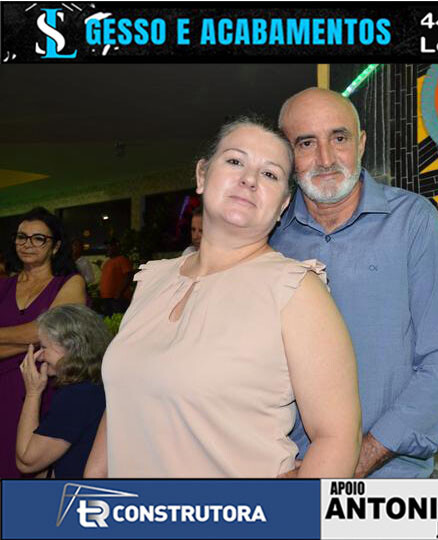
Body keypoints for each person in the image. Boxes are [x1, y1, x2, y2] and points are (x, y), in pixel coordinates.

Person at [85, 115, 361, 478]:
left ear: (282, 205)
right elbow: (122, 402)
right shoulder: (152, 279)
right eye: (235, 161)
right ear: (202, 175)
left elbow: (337, 439)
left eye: (270, 174)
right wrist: (89, 492)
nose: (249, 179)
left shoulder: (295, 289)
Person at [270, 88, 438, 478]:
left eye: (339, 138)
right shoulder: (271, 238)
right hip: (285, 472)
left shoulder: (412, 221)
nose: (326, 159)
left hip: (387, 476)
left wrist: (353, 462)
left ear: (361, 144)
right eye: (306, 143)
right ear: (286, 155)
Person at [0, 207, 86, 478]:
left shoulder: (70, 283)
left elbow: (49, 330)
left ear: (55, 246)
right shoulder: (3, 286)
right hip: (3, 390)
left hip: (41, 391)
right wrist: (35, 340)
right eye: (22, 237)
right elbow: (40, 335)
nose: (28, 244)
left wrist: (40, 335)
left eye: (38, 238)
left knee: (28, 469)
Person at [16, 304, 109, 478]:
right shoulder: (96, 387)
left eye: (44, 347)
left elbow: (26, 461)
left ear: (70, 348)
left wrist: (33, 393)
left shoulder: (78, 396)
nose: (40, 356)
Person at [98, 239, 133, 316]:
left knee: (119, 320)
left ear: (117, 247)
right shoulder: (107, 262)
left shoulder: (122, 259)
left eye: (110, 246)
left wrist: (119, 293)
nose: (107, 248)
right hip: (107, 298)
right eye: (107, 246)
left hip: (118, 298)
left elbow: (129, 276)